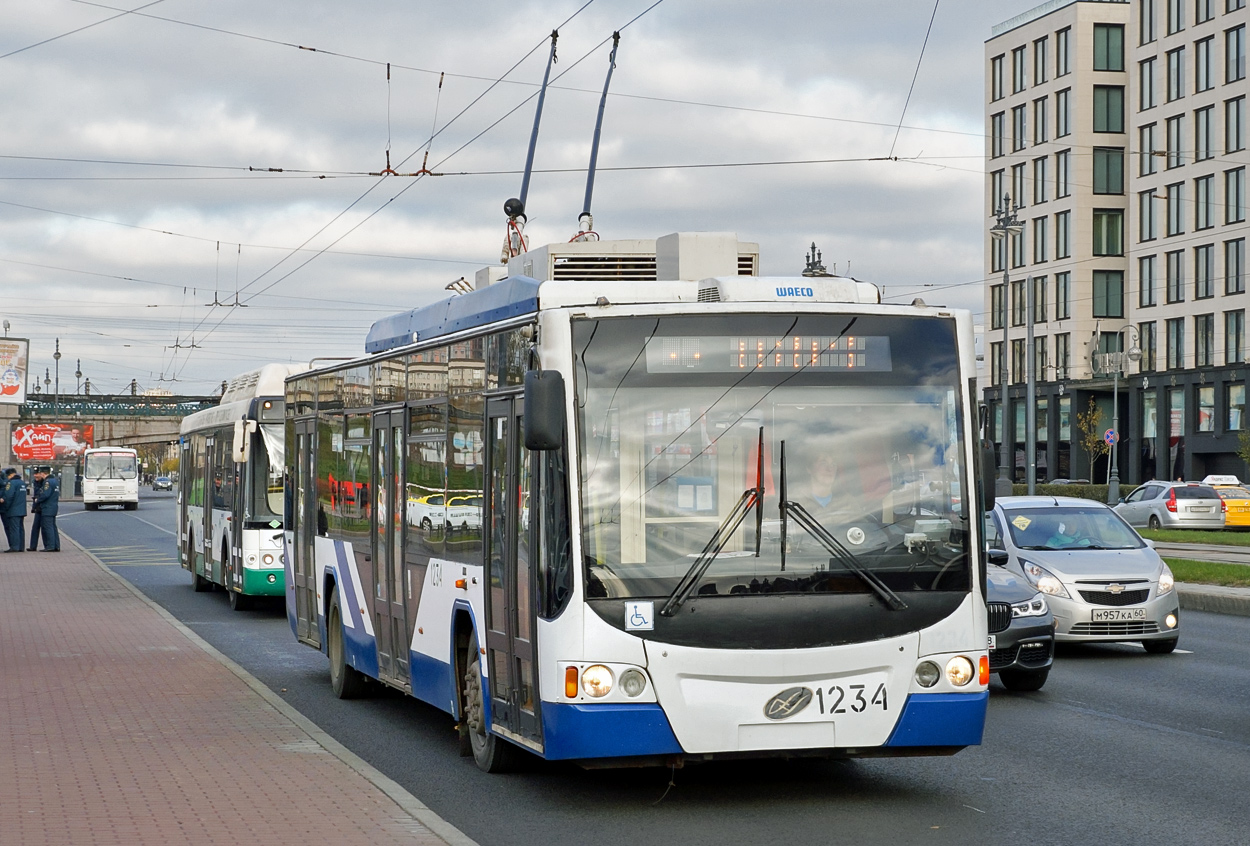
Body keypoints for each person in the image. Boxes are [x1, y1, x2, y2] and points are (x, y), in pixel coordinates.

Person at [33, 467, 60, 552]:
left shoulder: (47, 482)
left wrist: (38, 500)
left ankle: (50, 546)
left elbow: (46, 494)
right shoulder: (55, 481)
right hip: (53, 506)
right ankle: (56, 545)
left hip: (47, 507)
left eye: (40, 473)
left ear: (43, 473)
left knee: (48, 527)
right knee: (53, 527)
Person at [2, 468, 27, 552]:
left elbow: (9, 496)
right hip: (22, 509)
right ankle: (21, 546)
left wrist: (6, 506)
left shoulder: (11, 483)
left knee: (14, 529)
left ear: (10, 475)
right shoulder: (22, 483)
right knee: (20, 528)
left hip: (13, 509)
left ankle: (14, 547)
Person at [28, 469, 44, 550]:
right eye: (34, 474)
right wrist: (34, 507)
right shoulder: (36, 482)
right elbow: (35, 496)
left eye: (37, 474)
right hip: (38, 507)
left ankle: (50, 546)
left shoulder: (45, 482)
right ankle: (32, 546)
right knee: (35, 527)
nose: (35, 475)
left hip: (44, 507)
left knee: (46, 528)